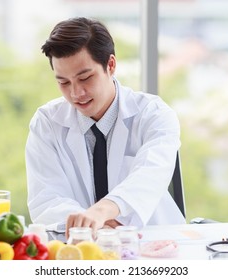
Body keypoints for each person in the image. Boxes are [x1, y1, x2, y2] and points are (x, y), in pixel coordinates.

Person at [25, 17, 185, 237]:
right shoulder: (47, 123)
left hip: (153, 242)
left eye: (85, 78)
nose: (75, 93)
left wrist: (101, 212)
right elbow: (46, 198)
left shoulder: (154, 114)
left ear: (110, 65)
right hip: (82, 249)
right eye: (63, 82)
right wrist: (93, 226)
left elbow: (149, 175)